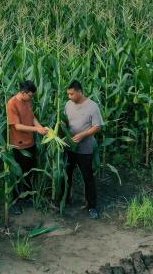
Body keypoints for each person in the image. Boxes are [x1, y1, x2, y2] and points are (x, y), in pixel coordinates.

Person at [6, 80, 49, 215]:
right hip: (18, 145)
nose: (32, 98)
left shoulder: (28, 101)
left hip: (30, 143)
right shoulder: (12, 103)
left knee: (30, 172)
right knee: (18, 174)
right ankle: (15, 203)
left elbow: (32, 117)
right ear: (23, 92)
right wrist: (36, 130)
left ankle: (28, 197)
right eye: (30, 95)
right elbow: (16, 126)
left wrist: (40, 127)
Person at [63, 80, 104, 220]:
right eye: (68, 94)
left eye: (71, 94)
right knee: (66, 174)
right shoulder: (68, 104)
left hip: (85, 149)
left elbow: (97, 127)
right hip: (69, 147)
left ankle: (91, 206)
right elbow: (66, 121)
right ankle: (65, 199)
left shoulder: (92, 107)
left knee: (88, 177)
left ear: (79, 91)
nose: (69, 96)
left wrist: (82, 135)